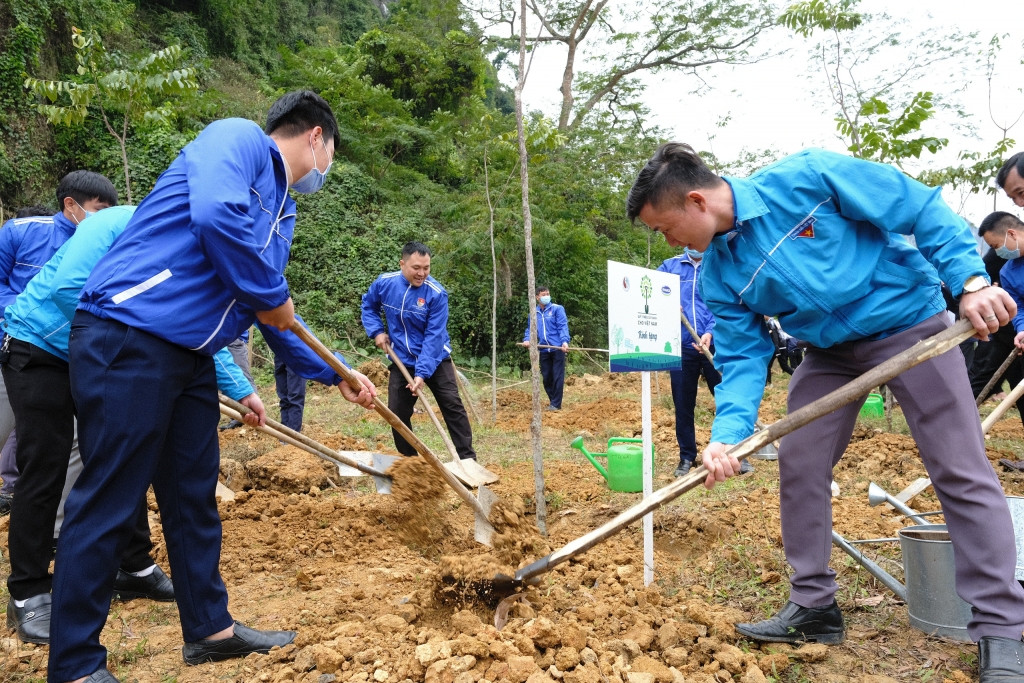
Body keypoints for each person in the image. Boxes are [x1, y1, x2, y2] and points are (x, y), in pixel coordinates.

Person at [627, 142, 1024, 680]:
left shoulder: (806, 179)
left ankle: (1002, 629)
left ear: (696, 201)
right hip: (830, 354)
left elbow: (918, 207)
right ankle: (814, 606)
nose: (668, 242)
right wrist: (728, 436)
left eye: (665, 228)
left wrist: (970, 283)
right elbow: (743, 358)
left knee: (959, 468)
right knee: (801, 462)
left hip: (910, 326)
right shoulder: (718, 272)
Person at [48, 91, 377, 682]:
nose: (326, 169)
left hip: (191, 355)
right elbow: (215, 219)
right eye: (332, 153)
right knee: (109, 498)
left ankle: (209, 630)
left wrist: (337, 373)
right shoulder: (238, 139)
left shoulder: (284, 210)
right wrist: (273, 297)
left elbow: (270, 307)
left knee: (192, 496)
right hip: (130, 335)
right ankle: (73, 664)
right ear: (317, 138)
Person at [1, 206, 258, 644]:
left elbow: (186, 325)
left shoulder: (188, 247)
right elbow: (68, 289)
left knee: (126, 452)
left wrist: (241, 389)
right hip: (41, 345)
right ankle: (28, 592)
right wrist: (128, 336)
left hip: (102, 353)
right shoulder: (115, 221)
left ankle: (133, 565)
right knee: (45, 464)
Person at [0, 181, 117, 517]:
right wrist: (26, 308)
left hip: (64, 355)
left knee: (65, 445)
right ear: (71, 205)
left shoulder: (101, 244)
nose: (102, 220)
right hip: (17, 347)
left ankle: (55, 528)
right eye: (99, 211)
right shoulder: (22, 232)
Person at [362, 241, 476, 460]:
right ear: (402, 264)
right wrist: (377, 331)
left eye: (426, 268)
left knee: (452, 406)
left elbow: (434, 337)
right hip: (401, 358)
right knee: (396, 412)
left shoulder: (436, 294)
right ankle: (411, 461)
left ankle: (467, 459)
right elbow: (369, 305)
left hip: (435, 359)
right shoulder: (384, 284)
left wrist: (421, 374)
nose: (422, 273)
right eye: (416, 268)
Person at [656, 249, 723, 477]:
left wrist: (711, 332)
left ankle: (733, 452)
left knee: (725, 398)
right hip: (681, 346)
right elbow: (654, 293)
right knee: (683, 403)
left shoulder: (717, 263)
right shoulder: (669, 266)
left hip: (713, 344)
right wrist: (666, 306)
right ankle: (687, 457)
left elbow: (724, 301)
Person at [971, 214, 1020, 405]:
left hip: (1012, 330)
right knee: (987, 374)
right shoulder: (1006, 269)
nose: (997, 251)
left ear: (1011, 233)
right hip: (1008, 330)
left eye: (995, 245)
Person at [519, 286, 570, 410]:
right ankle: (553, 401)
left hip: (557, 348)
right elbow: (531, 329)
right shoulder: (534, 313)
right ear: (537, 297)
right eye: (543, 294)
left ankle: (555, 404)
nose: (546, 296)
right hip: (543, 349)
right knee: (547, 377)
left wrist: (564, 341)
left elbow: (562, 326)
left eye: (548, 294)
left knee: (557, 376)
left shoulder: (557, 309)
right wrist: (527, 340)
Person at [274, 354, 307, 431]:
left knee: (295, 396)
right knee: (283, 396)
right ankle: (284, 433)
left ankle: (293, 435)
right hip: (279, 351)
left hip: (295, 352)